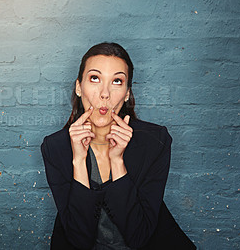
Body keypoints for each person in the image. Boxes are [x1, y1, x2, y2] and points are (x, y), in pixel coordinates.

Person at [40, 43, 196, 250]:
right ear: (79, 87)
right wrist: (78, 160)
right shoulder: (56, 147)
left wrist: (117, 160)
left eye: (116, 81)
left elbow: (139, 236)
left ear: (126, 93)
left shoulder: (154, 141)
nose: (105, 93)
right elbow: (78, 239)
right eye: (95, 78)